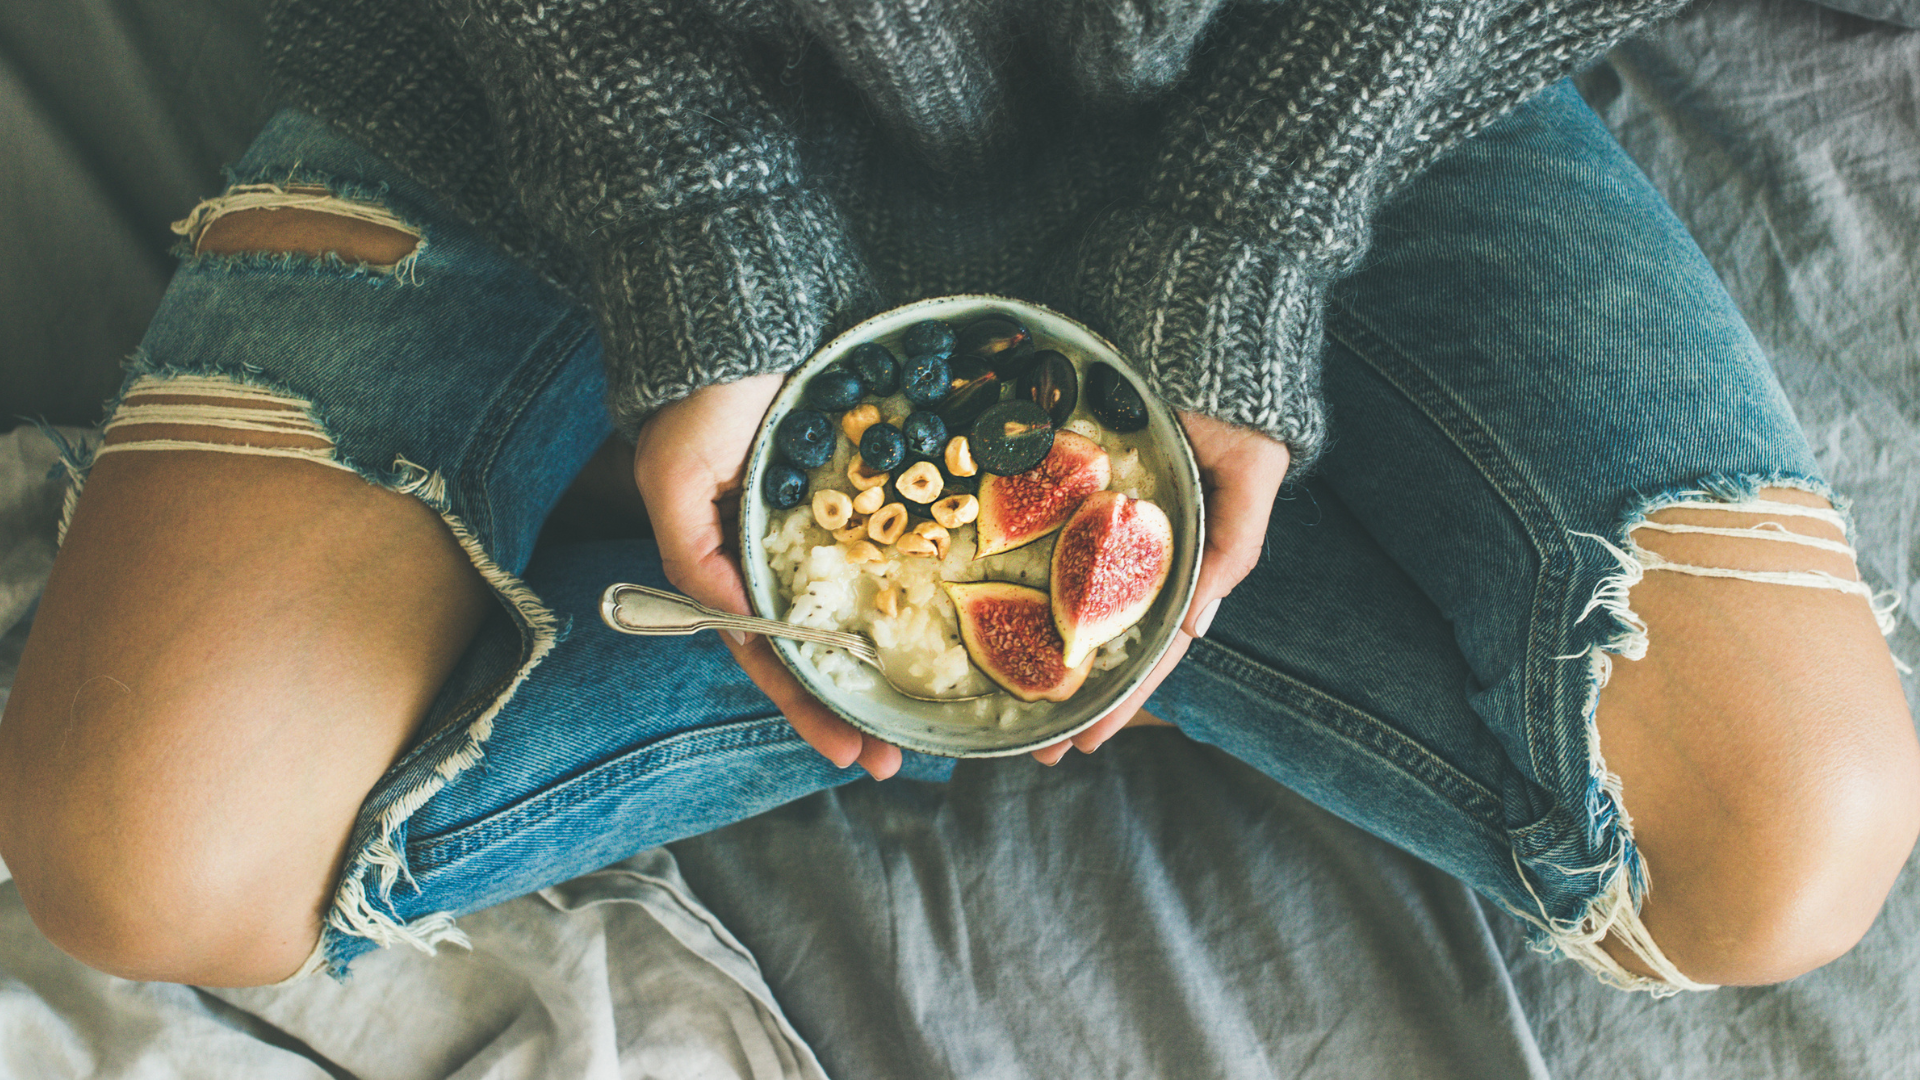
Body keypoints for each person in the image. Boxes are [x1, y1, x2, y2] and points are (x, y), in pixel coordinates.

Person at [1, 0, 1915, 998]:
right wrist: (686, 227)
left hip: (1324, 79)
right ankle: (1064, 602)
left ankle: (1051, 607)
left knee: (1775, 847)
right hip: (553, 92)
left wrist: (1260, 214)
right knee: (142, 855)